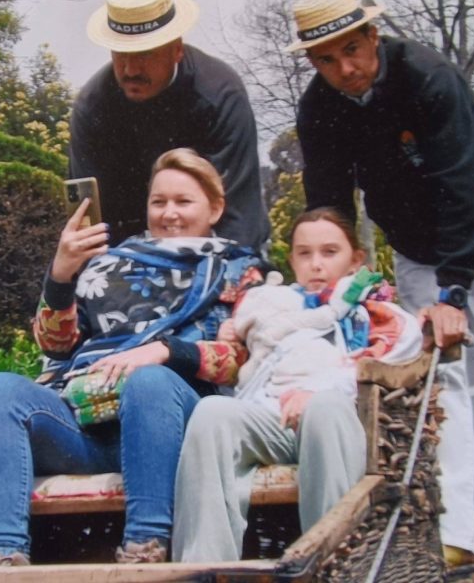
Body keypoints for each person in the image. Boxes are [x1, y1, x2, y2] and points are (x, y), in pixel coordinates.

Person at [285, 0, 474, 582]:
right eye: (327, 60)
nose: (345, 70)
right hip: (414, 248)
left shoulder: (428, 77)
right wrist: (328, 274)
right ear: (313, 62)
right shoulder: (320, 107)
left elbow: (461, 184)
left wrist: (455, 293)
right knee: (435, 394)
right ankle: (457, 538)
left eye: (353, 51)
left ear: (372, 37)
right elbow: (331, 199)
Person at [0, 148, 263, 566]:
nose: (169, 213)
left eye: (184, 201)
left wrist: (164, 351)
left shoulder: (238, 271)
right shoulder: (108, 266)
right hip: (89, 423)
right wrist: (62, 274)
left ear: (215, 207)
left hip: (178, 428)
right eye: (159, 202)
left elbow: (244, 359)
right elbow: (56, 347)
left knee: (149, 381)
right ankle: (1, 557)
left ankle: (146, 548)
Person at [173, 208, 422, 562]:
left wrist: (320, 388)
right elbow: (244, 349)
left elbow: (395, 359)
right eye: (305, 253)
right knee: (212, 413)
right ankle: (204, 567)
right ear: (291, 259)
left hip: (339, 422)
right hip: (271, 418)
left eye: (329, 252)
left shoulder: (377, 312)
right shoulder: (278, 305)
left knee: (325, 407)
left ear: (356, 259)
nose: (316, 264)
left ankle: (330, 566)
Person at [70, 0, 269, 252]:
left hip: (215, 243)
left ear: (177, 49)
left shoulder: (221, 95)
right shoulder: (91, 108)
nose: (130, 70)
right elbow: (89, 217)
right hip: (128, 248)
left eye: (145, 54)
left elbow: (239, 216)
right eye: (121, 54)